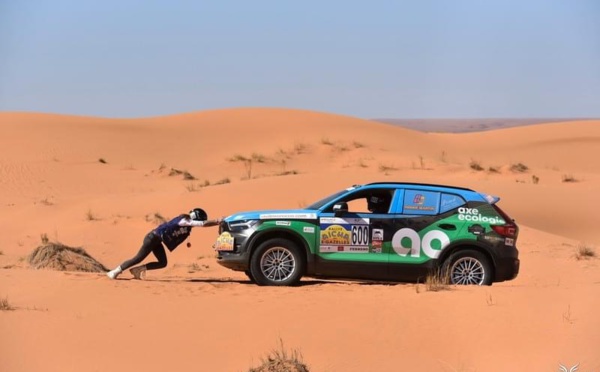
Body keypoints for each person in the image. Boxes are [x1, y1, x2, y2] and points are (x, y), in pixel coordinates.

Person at [106, 208, 221, 280]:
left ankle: (137, 270)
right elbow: (203, 224)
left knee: (162, 263)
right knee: (138, 258)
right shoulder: (183, 220)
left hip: (157, 241)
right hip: (152, 238)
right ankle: (115, 271)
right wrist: (217, 221)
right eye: (199, 219)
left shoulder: (187, 223)